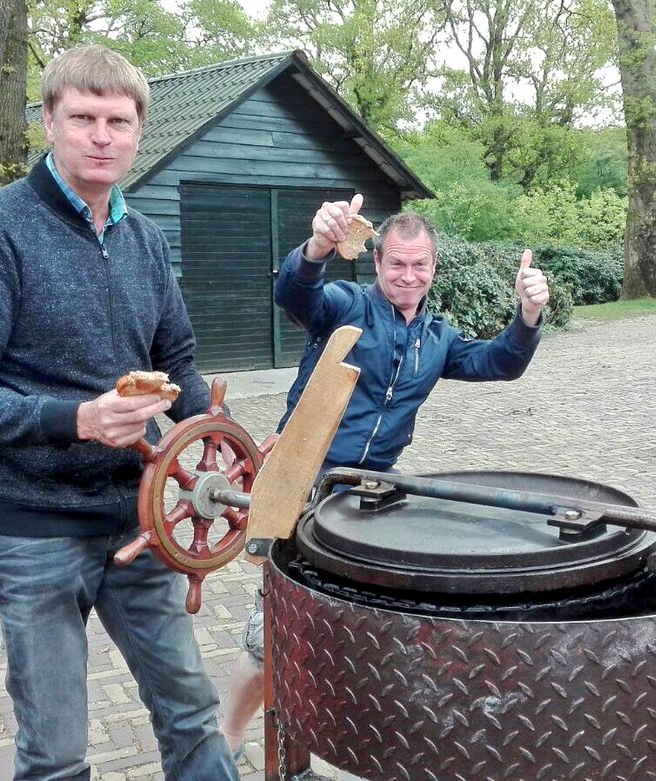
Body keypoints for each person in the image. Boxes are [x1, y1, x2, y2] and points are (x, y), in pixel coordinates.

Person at [0, 45, 239, 781]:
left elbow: (182, 366)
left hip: (138, 519)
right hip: (30, 530)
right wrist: (79, 419)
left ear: (139, 133)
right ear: (49, 122)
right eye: (83, 118)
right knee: (56, 752)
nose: (102, 135)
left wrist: (228, 445)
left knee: (194, 720)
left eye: (119, 121)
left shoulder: (145, 240)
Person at [217, 194, 550, 754]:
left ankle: (332, 729)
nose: (408, 275)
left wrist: (528, 314)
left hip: (373, 498)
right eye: (396, 263)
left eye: (419, 265)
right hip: (301, 483)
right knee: (272, 625)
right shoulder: (346, 307)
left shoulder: (438, 339)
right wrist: (318, 246)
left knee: (354, 618)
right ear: (376, 263)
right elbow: (296, 293)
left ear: (434, 269)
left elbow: (501, 362)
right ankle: (223, 739)